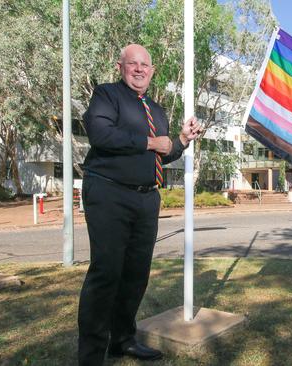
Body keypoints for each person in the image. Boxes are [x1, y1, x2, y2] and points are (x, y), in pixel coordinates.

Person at [78, 44, 201, 365]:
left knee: (136, 275)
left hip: (147, 198)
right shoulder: (105, 95)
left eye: (144, 64)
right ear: (120, 66)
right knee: (106, 273)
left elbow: (163, 152)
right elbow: (100, 135)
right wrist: (149, 141)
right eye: (132, 63)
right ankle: (90, 356)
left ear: (152, 70)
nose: (138, 69)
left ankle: (122, 340)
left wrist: (182, 141)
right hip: (108, 193)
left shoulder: (156, 110)